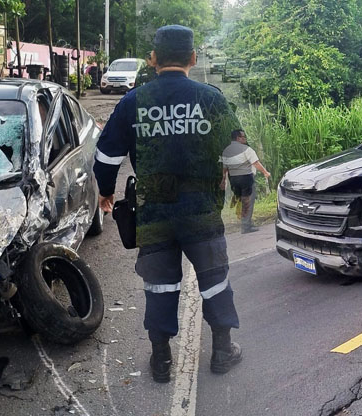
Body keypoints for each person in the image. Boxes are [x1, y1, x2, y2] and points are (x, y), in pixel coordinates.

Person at [93, 24, 243, 384]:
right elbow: (237, 152)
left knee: (160, 284)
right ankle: (223, 351)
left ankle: (161, 360)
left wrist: (105, 190)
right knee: (214, 279)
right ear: (193, 58)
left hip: (155, 212)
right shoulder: (212, 98)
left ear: (153, 59)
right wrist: (242, 192)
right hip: (201, 211)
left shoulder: (133, 101)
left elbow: (106, 155)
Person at [220, 129, 271, 234]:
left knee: (242, 202)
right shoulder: (246, 149)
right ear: (238, 138)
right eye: (243, 137)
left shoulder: (226, 150)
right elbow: (256, 163)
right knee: (248, 202)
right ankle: (246, 227)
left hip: (233, 179)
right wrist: (265, 172)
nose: (245, 139)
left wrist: (223, 180)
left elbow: (224, 168)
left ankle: (246, 222)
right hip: (246, 179)